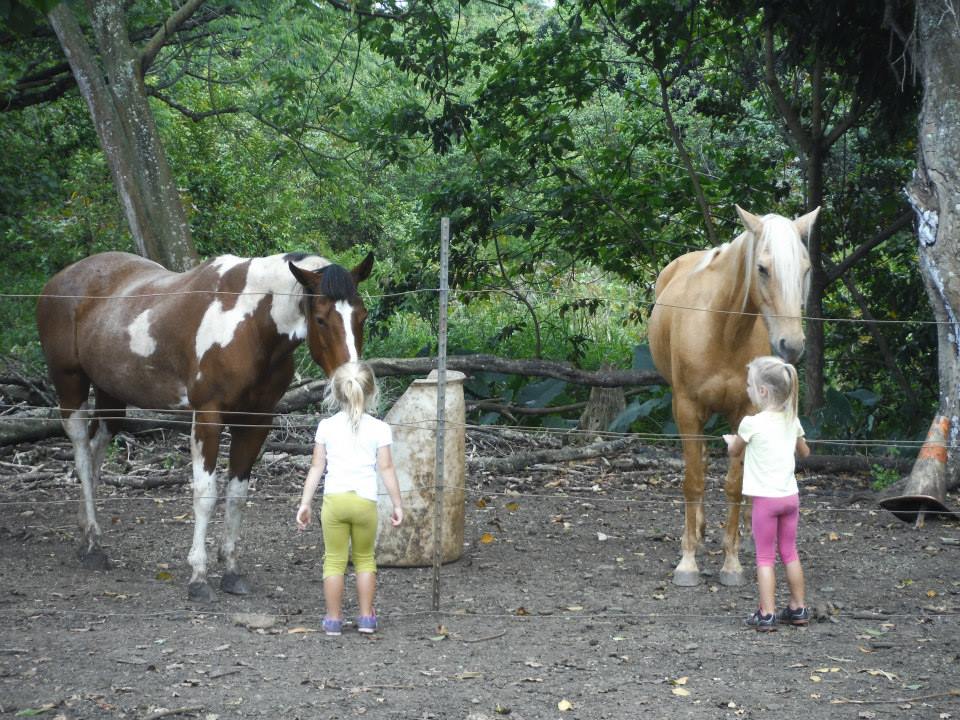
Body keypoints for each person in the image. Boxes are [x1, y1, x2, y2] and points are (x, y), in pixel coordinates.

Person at [296, 361, 403, 636]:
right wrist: (397, 504)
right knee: (365, 559)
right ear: (371, 392)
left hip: (334, 502)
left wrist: (305, 503)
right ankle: (366, 617)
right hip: (365, 502)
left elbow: (316, 467)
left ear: (336, 391)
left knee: (334, 560)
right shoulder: (380, 428)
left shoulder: (326, 427)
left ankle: (333, 620)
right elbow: (387, 468)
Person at [723, 355, 811, 632]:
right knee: (789, 552)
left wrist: (731, 441)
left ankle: (767, 613)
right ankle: (798, 608)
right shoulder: (791, 419)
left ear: (762, 391)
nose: (747, 390)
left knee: (764, 557)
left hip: (765, 501)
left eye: (750, 385)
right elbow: (805, 452)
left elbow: (734, 452)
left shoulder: (751, 423)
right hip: (790, 498)